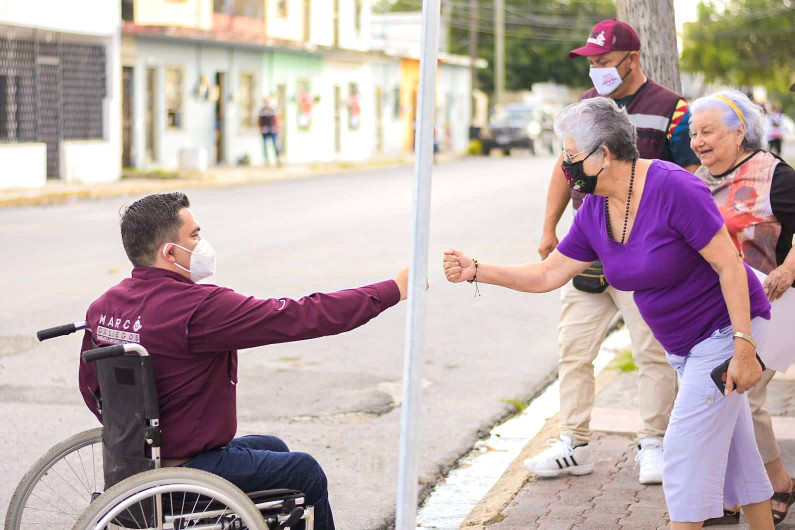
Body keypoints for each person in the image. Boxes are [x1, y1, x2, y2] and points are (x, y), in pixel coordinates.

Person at [444, 97, 775, 528]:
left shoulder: (674, 187)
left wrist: (743, 345)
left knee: (683, 455)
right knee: (739, 457)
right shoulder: (595, 209)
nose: (565, 166)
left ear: (604, 154)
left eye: (571, 155)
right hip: (684, 344)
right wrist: (477, 271)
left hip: (726, 331)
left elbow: (729, 265)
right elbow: (549, 274)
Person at [78, 192, 409, 530]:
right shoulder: (199, 308)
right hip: (183, 471)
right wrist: (393, 289)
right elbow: (303, 314)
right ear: (170, 252)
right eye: (194, 235)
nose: (203, 243)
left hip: (135, 465)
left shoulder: (105, 305)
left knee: (274, 447)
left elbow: (92, 388)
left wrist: (141, 440)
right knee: (304, 472)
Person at [530, 18, 701, 485]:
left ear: (633, 59)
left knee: (652, 352)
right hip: (589, 249)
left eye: (604, 62)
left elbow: (693, 180)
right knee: (573, 348)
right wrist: (549, 228)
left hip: (647, 254)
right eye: (593, 63)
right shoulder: (585, 108)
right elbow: (563, 169)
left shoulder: (673, 110)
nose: (597, 70)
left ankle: (654, 443)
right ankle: (573, 443)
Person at [690, 90, 795, 526]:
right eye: (694, 133)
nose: (698, 141)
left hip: (775, 306)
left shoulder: (775, 176)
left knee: (743, 394)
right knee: (725, 397)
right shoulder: (696, 177)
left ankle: (777, 483)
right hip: (718, 311)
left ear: (739, 132)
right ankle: (738, 492)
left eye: (708, 131)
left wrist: (789, 267)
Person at [258, 97, 281, 166]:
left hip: (273, 130)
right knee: (265, 146)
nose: (267, 104)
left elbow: (277, 119)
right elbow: (259, 120)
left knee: (275, 145)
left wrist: (278, 129)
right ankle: (267, 160)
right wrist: (260, 129)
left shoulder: (273, 110)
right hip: (265, 130)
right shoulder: (262, 111)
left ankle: (278, 159)